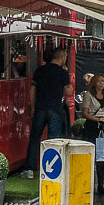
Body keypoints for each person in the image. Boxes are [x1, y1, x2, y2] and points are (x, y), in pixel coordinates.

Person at [21, 47, 73, 178]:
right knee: (53, 140)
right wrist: (67, 75)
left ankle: (29, 170)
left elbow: (32, 89)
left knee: (34, 139)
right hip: (55, 109)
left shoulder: (40, 70)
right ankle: (50, 170)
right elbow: (69, 91)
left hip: (40, 108)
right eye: (65, 57)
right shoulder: (62, 72)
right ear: (62, 57)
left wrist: (32, 107)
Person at [82, 73, 104, 195]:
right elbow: (85, 112)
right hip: (91, 126)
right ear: (94, 83)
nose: (101, 83)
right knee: (89, 155)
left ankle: (101, 185)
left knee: (100, 157)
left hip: (102, 128)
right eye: (99, 81)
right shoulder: (88, 95)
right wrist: (95, 119)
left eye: (103, 81)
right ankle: (86, 184)